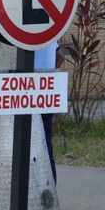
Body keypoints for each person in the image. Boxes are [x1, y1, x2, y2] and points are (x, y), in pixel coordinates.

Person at [34, 41, 62, 184]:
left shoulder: (24, 38)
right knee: (46, 143)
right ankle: (52, 185)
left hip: (29, 92)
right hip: (46, 93)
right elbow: (60, 57)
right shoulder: (50, 38)